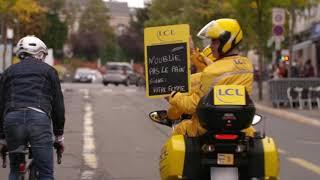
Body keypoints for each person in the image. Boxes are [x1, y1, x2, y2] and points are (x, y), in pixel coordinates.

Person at [167, 18, 255, 137]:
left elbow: (193, 105)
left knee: (179, 130)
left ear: (226, 42)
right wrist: (194, 53)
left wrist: (173, 96)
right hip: (240, 127)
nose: (211, 46)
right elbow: (221, 70)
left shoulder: (212, 72)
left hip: (207, 128)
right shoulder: (247, 65)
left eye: (214, 42)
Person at [0, 35, 65, 180]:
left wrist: (3, 138)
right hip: (38, 119)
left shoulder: (8, 72)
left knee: (15, 171)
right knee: (46, 173)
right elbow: (58, 106)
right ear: (39, 53)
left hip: (12, 120)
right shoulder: (49, 71)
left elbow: (1, 104)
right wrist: (59, 136)